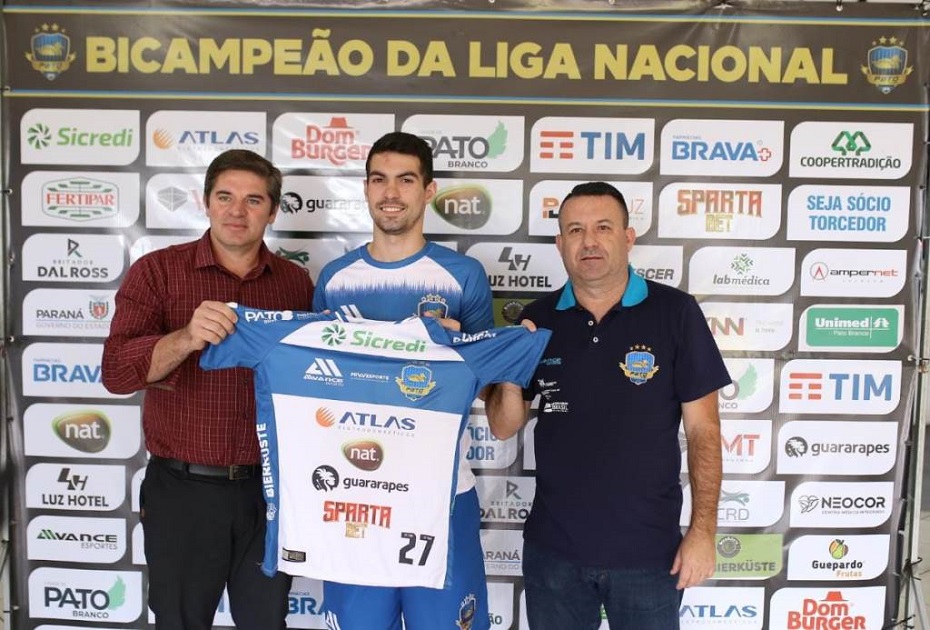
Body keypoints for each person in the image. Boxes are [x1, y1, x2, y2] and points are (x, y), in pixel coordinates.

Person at [486, 182, 729, 630]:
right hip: (554, 554)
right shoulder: (537, 319)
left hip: (649, 555)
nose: (589, 242)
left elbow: (704, 431)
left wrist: (702, 531)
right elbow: (503, 426)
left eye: (603, 227)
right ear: (560, 243)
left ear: (628, 237)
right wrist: (509, 365)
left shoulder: (676, 312)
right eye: (575, 230)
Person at [102, 149, 314, 630]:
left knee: (267, 622)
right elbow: (116, 373)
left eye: (254, 200)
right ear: (205, 202)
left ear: (272, 211)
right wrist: (186, 338)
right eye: (225, 197)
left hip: (269, 492)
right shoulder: (157, 271)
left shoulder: (295, 283)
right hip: (184, 492)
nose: (237, 211)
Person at [312, 131, 494, 630]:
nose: (390, 193)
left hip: (442, 491)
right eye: (379, 179)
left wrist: (458, 350)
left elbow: (488, 384)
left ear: (428, 190)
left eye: (405, 180)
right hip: (355, 491)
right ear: (366, 188)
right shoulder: (334, 278)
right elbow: (315, 383)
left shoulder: (463, 275)